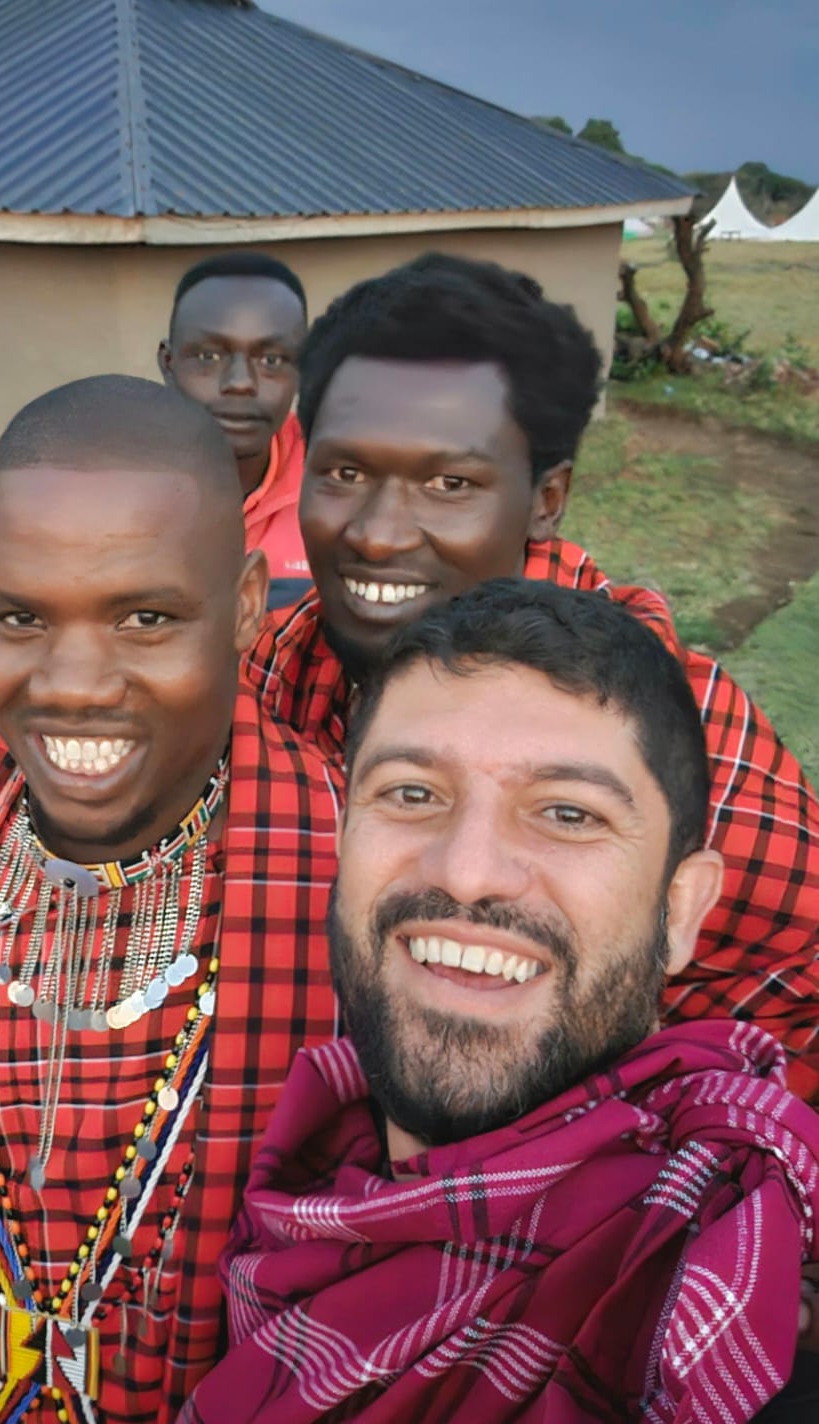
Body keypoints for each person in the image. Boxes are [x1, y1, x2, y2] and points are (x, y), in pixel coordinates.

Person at [0, 377, 340, 1424]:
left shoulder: (343, 873)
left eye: (145, 617)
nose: (76, 681)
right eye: (22, 617)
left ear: (241, 608)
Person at [187, 582, 819, 1424]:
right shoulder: (301, 1171)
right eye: (412, 794)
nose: (467, 871)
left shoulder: (729, 1307)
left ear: (680, 911)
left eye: (567, 813)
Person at [244, 251, 819, 1098]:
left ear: (545, 499)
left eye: (449, 482)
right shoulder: (277, 669)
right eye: (345, 473)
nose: (376, 532)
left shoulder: (676, 736)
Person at [158, 252, 310, 603]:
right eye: (210, 357)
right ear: (169, 363)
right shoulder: (108, 486)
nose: (241, 383)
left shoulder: (337, 490)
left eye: (271, 360)